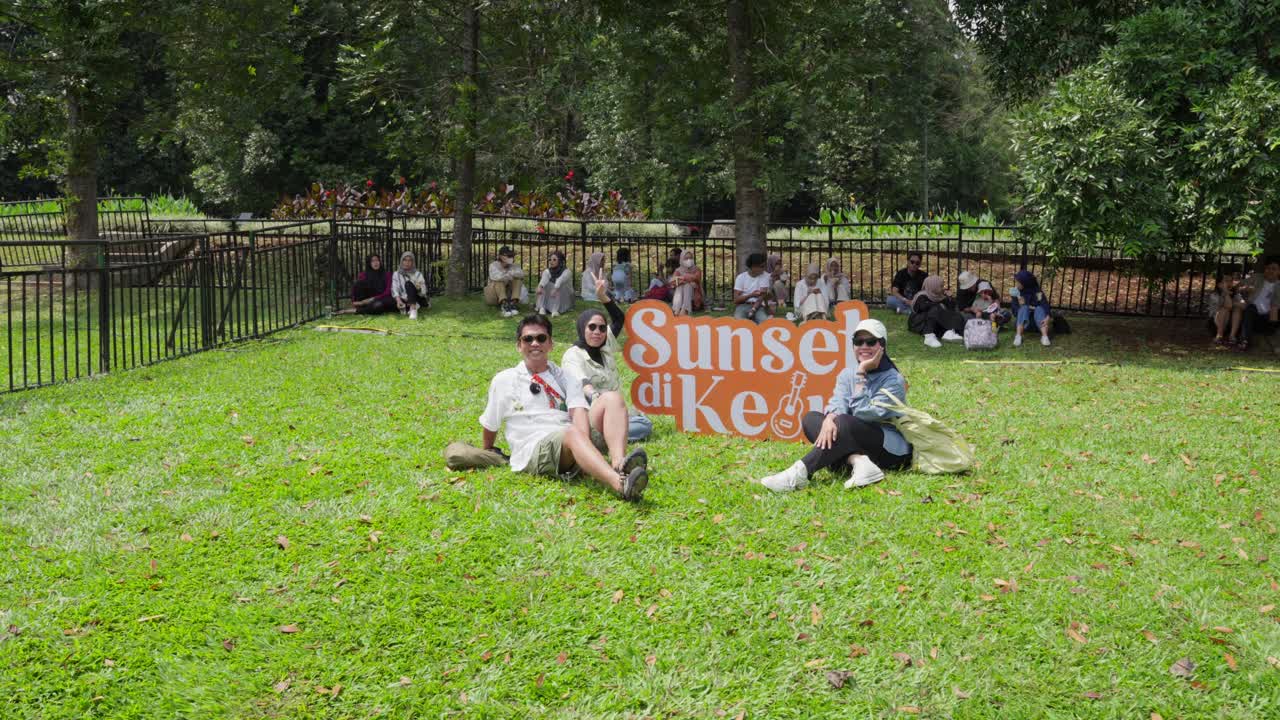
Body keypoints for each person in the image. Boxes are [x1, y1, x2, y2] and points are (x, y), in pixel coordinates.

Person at [479, 314, 649, 501]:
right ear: (519, 346)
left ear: (550, 344)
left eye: (541, 338)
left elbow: (578, 412)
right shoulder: (505, 379)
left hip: (572, 439)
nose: (535, 343)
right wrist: (487, 449)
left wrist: (582, 449)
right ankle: (620, 484)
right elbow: (490, 423)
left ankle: (618, 463)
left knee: (612, 399)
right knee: (571, 432)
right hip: (536, 448)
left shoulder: (566, 377)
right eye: (528, 339)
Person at [759, 319, 912, 492]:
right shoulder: (847, 374)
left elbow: (865, 414)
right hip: (854, 436)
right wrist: (830, 418)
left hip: (889, 449)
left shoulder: (893, 380)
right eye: (858, 341)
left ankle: (799, 473)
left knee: (844, 423)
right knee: (812, 419)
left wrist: (861, 373)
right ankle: (859, 461)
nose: (864, 346)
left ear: (882, 346)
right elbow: (837, 402)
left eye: (871, 342)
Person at [562, 276, 655, 442]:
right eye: (591, 327)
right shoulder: (573, 355)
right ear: (582, 329)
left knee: (642, 421)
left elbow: (619, 319)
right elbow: (582, 384)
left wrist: (603, 296)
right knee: (642, 425)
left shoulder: (605, 345)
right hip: (589, 414)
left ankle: (611, 431)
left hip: (611, 412)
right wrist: (596, 396)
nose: (597, 332)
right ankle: (604, 435)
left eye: (602, 328)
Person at [908, 275, 966, 348]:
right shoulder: (922, 296)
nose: (943, 288)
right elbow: (924, 307)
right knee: (935, 309)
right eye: (941, 286)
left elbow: (952, 309)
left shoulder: (939, 296)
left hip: (934, 323)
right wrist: (940, 304)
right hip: (920, 323)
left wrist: (949, 298)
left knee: (955, 315)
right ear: (934, 286)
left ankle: (948, 332)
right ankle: (929, 336)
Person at [1236, 258, 1278, 352]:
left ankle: (1271, 337)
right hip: (1253, 313)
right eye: (1268, 268)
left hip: (1270, 316)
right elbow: (1237, 287)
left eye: (1274, 268)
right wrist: (1245, 289)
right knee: (1250, 308)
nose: (1270, 271)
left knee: (1275, 309)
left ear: (1279, 271)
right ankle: (1244, 341)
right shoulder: (1256, 278)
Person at [1010, 269, 1052, 347]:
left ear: (1026, 283)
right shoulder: (1016, 293)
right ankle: (1018, 336)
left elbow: (1044, 304)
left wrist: (1048, 316)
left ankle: (1045, 336)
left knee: (1039, 308)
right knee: (1024, 308)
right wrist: (1020, 305)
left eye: (1019, 282)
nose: (1017, 284)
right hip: (1023, 323)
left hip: (1038, 323)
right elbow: (1015, 312)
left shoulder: (1037, 292)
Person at [1207, 271, 1245, 348]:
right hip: (1216, 324)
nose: (1229, 283)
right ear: (1219, 284)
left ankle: (1232, 336)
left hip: (1231, 324)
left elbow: (1243, 305)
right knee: (1224, 309)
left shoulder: (1236, 294)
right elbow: (1228, 305)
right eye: (1226, 281)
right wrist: (1225, 292)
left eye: (1231, 281)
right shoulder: (1214, 295)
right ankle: (1219, 335)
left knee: (1237, 310)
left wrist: (1235, 304)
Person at [485, 246, 525, 318]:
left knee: (517, 279)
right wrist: (509, 274)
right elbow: (496, 277)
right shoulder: (494, 265)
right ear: (500, 256)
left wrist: (511, 273)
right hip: (494, 296)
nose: (511, 258)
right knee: (499, 280)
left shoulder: (514, 265)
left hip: (508, 295)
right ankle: (504, 305)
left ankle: (513, 303)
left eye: (512, 256)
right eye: (509, 256)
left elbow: (521, 274)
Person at [733, 252, 773, 323]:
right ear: (753, 266)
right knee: (739, 322)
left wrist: (753, 310)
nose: (764, 269)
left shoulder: (765, 276)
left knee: (764, 323)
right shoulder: (741, 277)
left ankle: (753, 322)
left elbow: (761, 297)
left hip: (758, 307)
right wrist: (751, 295)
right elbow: (736, 300)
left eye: (764, 266)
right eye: (762, 266)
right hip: (742, 306)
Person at [391, 251, 430, 319]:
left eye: (410, 260)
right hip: (404, 298)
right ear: (401, 261)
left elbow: (423, 292)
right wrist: (398, 300)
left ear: (413, 262)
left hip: (417, 297)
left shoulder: (418, 274)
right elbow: (394, 288)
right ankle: (412, 305)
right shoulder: (396, 274)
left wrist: (418, 287)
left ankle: (413, 309)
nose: (407, 263)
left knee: (408, 284)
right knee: (390, 302)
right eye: (405, 260)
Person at [535, 250, 575, 317]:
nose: (551, 262)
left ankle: (555, 310)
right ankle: (542, 307)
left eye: (554, 260)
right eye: (550, 259)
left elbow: (561, 280)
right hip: (551, 293)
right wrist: (540, 287)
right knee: (545, 285)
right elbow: (544, 279)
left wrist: (555, 288)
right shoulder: (548, 271)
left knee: (560, 286)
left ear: (560, 261)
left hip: (564, 295)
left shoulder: (567, 272)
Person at [670, 249, 704, 316]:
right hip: (681, 293)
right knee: (685, 285)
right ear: (682, 259)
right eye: (686, 258)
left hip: (695, 295)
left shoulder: (697, 269)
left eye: (691, 258)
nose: (689, 260)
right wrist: (686, 281)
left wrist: (682, 278)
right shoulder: (678, 270)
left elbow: (695, 278)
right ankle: (678, 308)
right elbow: (672, 282)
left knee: (688, 286)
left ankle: (685, 309)